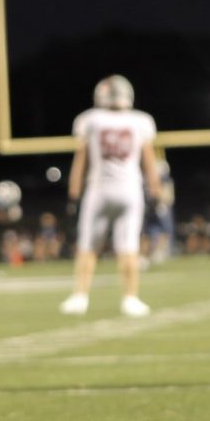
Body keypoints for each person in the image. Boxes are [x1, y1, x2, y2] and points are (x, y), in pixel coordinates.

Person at [59, 74, 161, 317]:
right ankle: (131, 298)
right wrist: (156, 191)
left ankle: (80, 296)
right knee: (128, 246)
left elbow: (81, 159)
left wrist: (74, 193)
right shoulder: (141, 121)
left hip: (99, 190)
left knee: (88, 245)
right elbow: (149, 161)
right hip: (130, 190)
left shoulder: (90, 120)